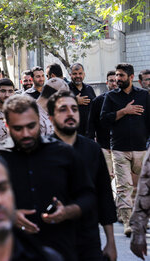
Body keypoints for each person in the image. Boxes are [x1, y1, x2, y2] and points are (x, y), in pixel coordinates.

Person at [0, 95, 95, 261]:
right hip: (12, 249)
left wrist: (67, 211)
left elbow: (88, 195)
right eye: (18, 128)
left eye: (31, 126)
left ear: (40, 122)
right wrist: (8, 215)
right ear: (7, 126)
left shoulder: (64, 153)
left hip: (61, 248)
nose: (26, 134)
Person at [48, 90, 117, 261]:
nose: (70, 113)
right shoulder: (43, 151)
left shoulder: (92, 149)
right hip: (54, 239)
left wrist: (111, 241)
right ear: (51, 117)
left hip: (88, 237)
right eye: (63, 109)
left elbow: (104, 195)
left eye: (74, 108)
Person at [100, 63, 150, 236]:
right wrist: (124, 111)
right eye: (116, 75)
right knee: (123, 187)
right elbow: (104, 119)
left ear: (131, 77)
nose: (117, 79)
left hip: (141, 148)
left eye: (121, 76)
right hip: (119, 148)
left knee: (141, 186)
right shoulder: (111, 97)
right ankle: (128, 223)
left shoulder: (144, 96)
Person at [87, 71, 117, 178]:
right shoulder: (97, 101)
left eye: (116, 81)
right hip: (104, 146)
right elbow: (91, 123)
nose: (114, 83)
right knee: (106, 178)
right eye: (111, 81)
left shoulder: (126, 101)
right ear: (106, 83)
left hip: (121, 147)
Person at [68, 63, 96, 137]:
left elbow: (95, 110)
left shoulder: (89, 89)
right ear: (70, 75)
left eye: (80, 73)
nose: (78, 76)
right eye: (75, 74)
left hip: (89, 134)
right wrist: (74, 101)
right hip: (72, 134)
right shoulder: (65, 89)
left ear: (84, 74)